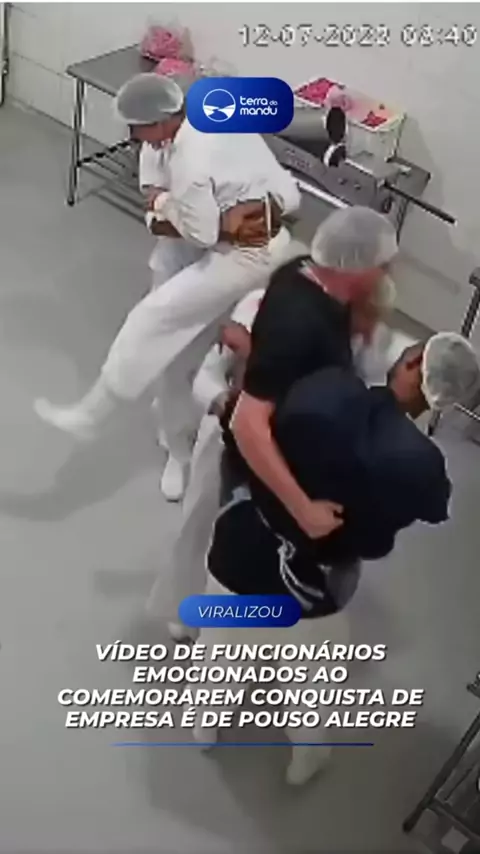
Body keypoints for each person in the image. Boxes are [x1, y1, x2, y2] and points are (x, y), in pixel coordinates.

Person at [189, 331, 480, 786]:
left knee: (221, 648)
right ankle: (307, 754)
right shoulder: (423, 468)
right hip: (318, 583)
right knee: (310, 677)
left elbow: (248, 436)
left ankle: (205, 725)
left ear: (412, 363)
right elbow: (392, 534)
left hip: (243, 547)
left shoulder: (325, 389)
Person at [34, 72, 300, 501]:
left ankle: (101, 415)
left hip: (240, 261)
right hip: (186, 256)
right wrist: (183, 211)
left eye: (136, 127)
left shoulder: (202, 151)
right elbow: (161, 214)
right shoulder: (159, 147)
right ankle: (177, 449)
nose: (132, 136)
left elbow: (275, 199)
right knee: (173, 357)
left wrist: (254, 212)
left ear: (161, 120)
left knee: (179, 335)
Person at [150, 270, 398, 641]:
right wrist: (228, 404)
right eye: (364, 318)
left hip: (292, 456)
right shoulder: (260, 310)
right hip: (228, 439)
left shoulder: (367, 339)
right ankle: (184, 609)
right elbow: (204, 378)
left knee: (258, 542)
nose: (366, 333)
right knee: (200, 526)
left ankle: (247, 625)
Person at [230, 205, 399, 541]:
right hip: (267, 460)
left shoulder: (305, 273)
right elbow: (246, 423)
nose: (387, 273)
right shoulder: (298, 322)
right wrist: (303, 509)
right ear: (358, 268)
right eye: (382, 265)